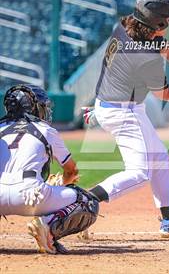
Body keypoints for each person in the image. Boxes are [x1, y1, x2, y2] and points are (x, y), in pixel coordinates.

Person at [85, 0, 169, 238]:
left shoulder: (125, 27)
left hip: (110, 105)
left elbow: (166, 49)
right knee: (139, 173)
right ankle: (78, 201)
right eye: (166, 20)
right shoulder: (145, 58)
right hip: (124, 113)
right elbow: (164, 94)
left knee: (160, 160)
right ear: (156, 23)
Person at [0, 84, 99, 254]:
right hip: (30, 195)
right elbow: (71, 171)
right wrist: (59, 185)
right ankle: (48, 227)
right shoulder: (45, 129)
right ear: (34, 107)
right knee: (87, 201)